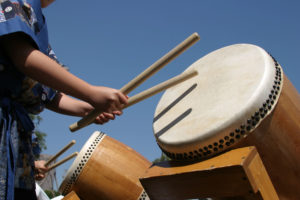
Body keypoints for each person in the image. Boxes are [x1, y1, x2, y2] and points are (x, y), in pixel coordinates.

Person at [0, 0, 128, 199]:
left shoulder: (37, 19)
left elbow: (49, 92)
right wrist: (90, 92)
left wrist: (88, 109)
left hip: (16, 137)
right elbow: (24, 56)